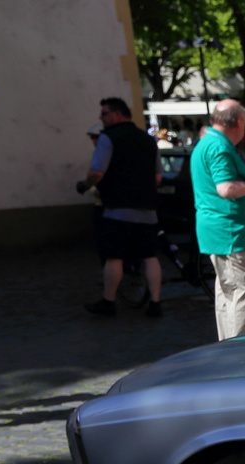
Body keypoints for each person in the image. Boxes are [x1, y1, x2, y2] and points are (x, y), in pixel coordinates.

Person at [189, 98, 245, 340]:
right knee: (241, 294)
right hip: (232, 233)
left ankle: (228, 354)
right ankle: (238, 359)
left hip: (222, 233)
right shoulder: (219, 147)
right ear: (238, 121)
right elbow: (225, 189)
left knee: (227, 295)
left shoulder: (208, 143)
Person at [79, 97, 164, 317]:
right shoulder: (147, 140)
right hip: (147, 209)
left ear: (118, 114)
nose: (101, 118)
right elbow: (157, 176)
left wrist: (85, 185)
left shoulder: (108, 138)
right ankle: (155, 303)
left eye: (104, 113)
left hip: (118, 208)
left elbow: (97, 172)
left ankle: (109, 302)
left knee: (114, 256)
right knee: (150, 256)